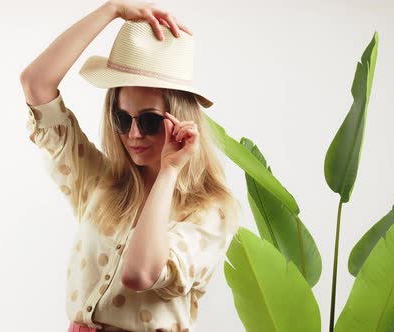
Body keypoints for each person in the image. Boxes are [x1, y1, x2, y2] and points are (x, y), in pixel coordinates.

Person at [20, 1, 241, 331]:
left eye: (150, 121)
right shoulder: (100, 181)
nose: (133, 134)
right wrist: (111, 10)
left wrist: (169, 170)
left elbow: (140, 274)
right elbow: (36, 84)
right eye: (123, 118)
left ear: (180, 120)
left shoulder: (210, 211)